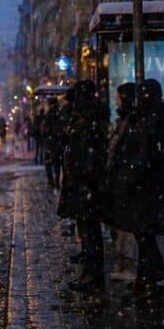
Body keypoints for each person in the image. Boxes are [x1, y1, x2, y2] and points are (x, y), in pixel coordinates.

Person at [106, 79, 164, 298]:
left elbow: (145, 158)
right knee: (143, 236)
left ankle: (154, 281)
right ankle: (148, 280)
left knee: (145, 237)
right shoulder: (147, 120)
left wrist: (128, 179)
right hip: (145, 189)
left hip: (147, 189)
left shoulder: (153, 122)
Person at [58, 80, 108, 290]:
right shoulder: (84, 118)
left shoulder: (89, 120)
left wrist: (83, 178)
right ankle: (90, 271)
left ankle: (93, 275)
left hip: (86, 185)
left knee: (90, 231)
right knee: (87, 230)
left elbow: (88, 153)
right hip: (82, 183)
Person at [43, 97, 63, 188]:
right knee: (58, 163)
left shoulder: (49, 114)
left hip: (51, 142)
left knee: (48, 162)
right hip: (59, 141)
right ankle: (57, 181)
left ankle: (52, 181)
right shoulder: (60, 113)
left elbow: (46, 129)